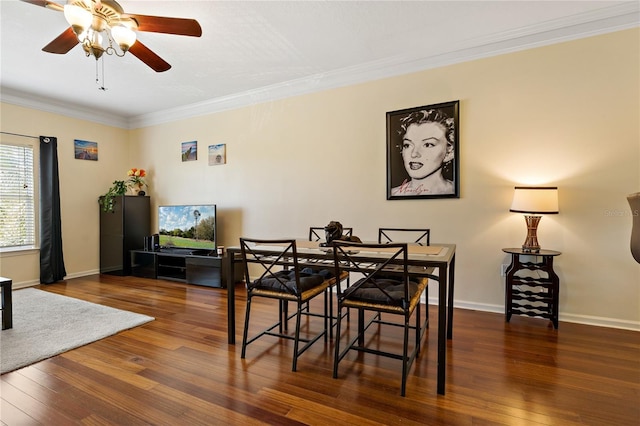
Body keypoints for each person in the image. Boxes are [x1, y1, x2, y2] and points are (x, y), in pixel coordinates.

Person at [391, 108, 455, 196]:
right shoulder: (393, 194)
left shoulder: (465, 192)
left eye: (428, 144)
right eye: (408, 145)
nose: (414, 154)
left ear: (449, 152)